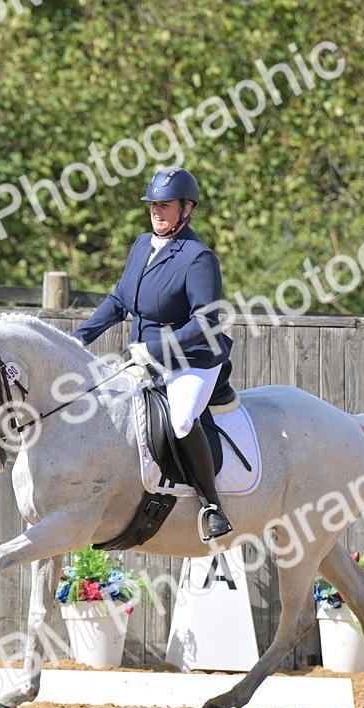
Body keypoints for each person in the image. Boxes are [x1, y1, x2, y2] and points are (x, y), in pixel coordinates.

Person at [75, 166, 235, 538]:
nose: (157, 213)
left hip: (192, 359)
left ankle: (212, 504)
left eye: (165, 206)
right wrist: (78, 338)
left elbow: (205, 323)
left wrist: (156, 348)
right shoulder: (142, 245)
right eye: (153, 206)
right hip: (142, 358)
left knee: (180, 419)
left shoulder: (198, 257)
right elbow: (119, 300)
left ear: (186, 208)